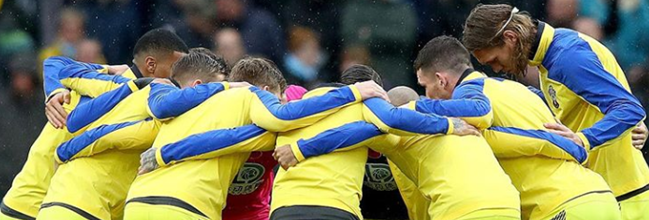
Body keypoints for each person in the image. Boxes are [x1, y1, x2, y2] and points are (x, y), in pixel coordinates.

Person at [124, 57, 388, 220]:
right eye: (278, 97)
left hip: (140, 201)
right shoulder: (258, 106)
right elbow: (282, 117)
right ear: (264, 92)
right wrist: (354, 93)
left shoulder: (190, 105)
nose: (282, 102)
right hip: (191, 207)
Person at [462, 4, 649, 219]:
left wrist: (584, 139)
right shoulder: (553, 55)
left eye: (494, 59)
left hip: (625, 197)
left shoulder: (566, 56)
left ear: (511, 37)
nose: (495, 68)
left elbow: (628, 108)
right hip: (611, 193)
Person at [411, 36, 620, 219]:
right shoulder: (520, 89)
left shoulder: (470, 98)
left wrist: (413, 106)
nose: (427, 95)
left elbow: (479, 115)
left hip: (558, 206)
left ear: (441, 80)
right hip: (601, 196)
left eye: (424, 87)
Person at [272, 65, 520, 220]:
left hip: (459, 211)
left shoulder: (392, 126)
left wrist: (300, 149)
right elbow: (514, 139)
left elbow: (355, 130)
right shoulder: (467, 126)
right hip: (508, 206)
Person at [0, 28, 188, 220]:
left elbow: (55, 63)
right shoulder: (146, 101)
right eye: (176, 68)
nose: (180, 77)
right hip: (56, 207)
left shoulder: (82, 82)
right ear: (151, 64)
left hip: (24, 203)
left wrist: (57, 90)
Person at [36, 50, 231, 220]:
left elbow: (63, 76)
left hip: (80, 204)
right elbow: (108, 135)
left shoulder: (134, 87)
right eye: (214, 87)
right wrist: (63, 152)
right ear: (197, 86)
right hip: (78, 206)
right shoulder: (158, 117)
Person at [223, 85, 307, 220]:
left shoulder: (294, 95)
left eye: (280, 102)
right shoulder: (224, 115)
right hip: (212, 209)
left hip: (257, 212)